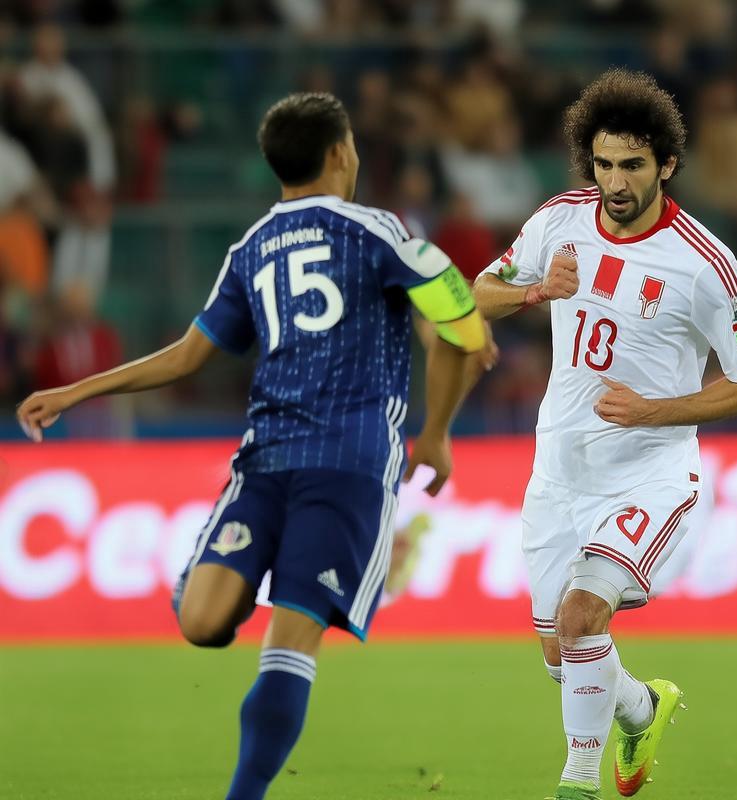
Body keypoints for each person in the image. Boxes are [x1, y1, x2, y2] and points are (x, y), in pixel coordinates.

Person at [15, 92, 487, 800]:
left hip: (339, 463)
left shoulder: (254, 244)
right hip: (275, 460)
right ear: (340, 153)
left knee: (286, 645)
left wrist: (75, 391)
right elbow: (458, 320)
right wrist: (441, 428)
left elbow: (183, 356)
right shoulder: (379, 231)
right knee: (202, 621)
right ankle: (367, 560)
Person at [473, 68, 737, 800]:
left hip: (649, 474)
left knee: (581, 618)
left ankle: (577, 783)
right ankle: (641, 708)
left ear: (666, 165)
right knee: (561, 653)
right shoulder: (559, 220)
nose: (614, 181)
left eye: (632, 165)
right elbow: (480, 292)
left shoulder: (707, 266)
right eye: (603, 163)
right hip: (558, 471)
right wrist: (536, 290)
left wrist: (653, 411)